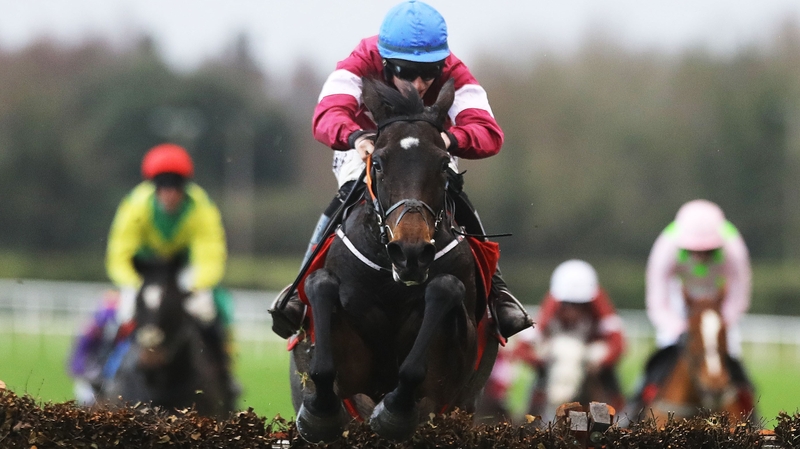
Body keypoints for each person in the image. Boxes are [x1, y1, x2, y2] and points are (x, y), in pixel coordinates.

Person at [270, 0, 532, 340]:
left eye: (429, 72)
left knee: (455, 193)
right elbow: (326, 115)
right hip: (368, 144)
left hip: (427, 148)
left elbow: (489, 132)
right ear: (384, 60)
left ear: (442, 63)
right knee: (349, 191)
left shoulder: (454, 69)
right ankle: (298, 289)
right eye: (406, 72)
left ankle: (498, 292)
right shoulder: (361, 60)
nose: (419, 84)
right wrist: (353, 137)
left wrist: (450, 139)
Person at [69, 143, 236, 403]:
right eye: (163, 187)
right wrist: (135, 283)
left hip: (183, 273)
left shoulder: (201, 207)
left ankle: (224, 375)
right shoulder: (135, 205)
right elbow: (120, 253)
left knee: (208, 311)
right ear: (154, 187)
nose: (170, 194)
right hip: (145, 274)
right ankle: (104, 371)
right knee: (124, 312)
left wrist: (196, 284)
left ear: (184, 187)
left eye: (175, 187)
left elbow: (211, 254)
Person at [628, 199, 754, 417]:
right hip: (679, 302)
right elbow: (658, 301)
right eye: (694, 250)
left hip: (718, 305)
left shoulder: (734, 247)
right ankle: (634, 406)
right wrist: (681, 328)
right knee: (664, 353)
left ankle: (752, 416)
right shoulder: (665, 247)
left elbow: (739, 295)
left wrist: (720, 325)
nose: (701, 257)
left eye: (708, 251)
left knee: (732, 357)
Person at [515, 259, 626, 416]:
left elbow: (617, 343)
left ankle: (618, 416)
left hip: (589, 355)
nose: (572, 310)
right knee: (561, 357)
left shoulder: (600, 304)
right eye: (568, 304)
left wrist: (602, 361)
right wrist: (542, 360)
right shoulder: (550, 305)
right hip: (557, 355)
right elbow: (523, 347)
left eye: (580, 304)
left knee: (606, 373)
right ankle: (536, 416)